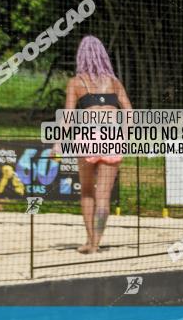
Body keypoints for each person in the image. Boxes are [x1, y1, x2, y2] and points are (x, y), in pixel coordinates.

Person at [52, 35, 132, 254]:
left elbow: (68, 117)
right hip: (111, 140)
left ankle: (89, 242)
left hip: (87, 139)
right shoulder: (115, 83)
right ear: (103, 56)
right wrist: (122, 138)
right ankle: (96, 241)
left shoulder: (76, 82)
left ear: (81, 56)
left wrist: (58, 143)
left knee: (87, 191)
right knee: (103, 197)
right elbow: (130, 114)